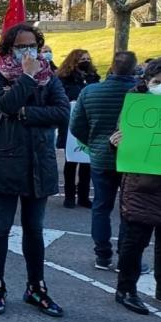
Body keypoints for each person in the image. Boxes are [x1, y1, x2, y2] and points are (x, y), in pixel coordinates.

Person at [0, 24, 68, 317]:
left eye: (32, 46)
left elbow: (62, 112)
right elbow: (6, 104)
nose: (28, 51)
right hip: (6, 160)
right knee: (0, 228)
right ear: (8, 49)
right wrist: (27, 78)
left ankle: (36, 287)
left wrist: (27, 113)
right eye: (21, 47)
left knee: (34, 230)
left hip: (39, 163)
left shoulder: (50, 78)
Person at [111, 58, 161, 314]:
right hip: (141, 187)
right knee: (135, 240)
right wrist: (115, 141)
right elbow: (120, 137)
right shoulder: (136, 107)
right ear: (146, 83)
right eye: (157, 82)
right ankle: (126, 288)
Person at [70, 51, 139, 270]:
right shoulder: (141, 96)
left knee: (101, 207)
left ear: (111, 66)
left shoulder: (90, 92)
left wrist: (93, 144)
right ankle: (125, 257)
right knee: (129, 209)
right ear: (135, 68)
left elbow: (76, 126)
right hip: (135, 159)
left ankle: (102, 254)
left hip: (101, 157)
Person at [56, 49, 100, 209]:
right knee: (71, 160)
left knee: (87, 162)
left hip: (89, 123)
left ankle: (83, 196)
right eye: (82, 59)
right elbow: (61, 97)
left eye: (88, 58)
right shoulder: (63, 79)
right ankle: (69, 196)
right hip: (70, 123)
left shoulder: (93, 78)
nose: (86, 61)